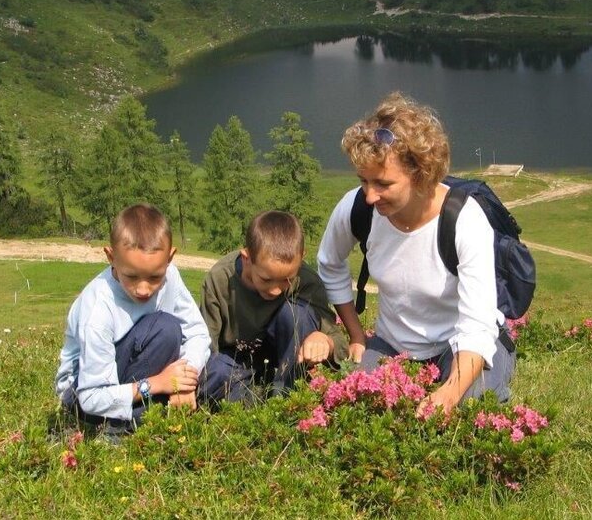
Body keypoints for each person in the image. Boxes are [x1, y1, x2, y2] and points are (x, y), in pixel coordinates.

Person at [317, 92, 515, 415]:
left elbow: (477, 326)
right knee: (355, 401)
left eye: (383, 183)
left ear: (420, 173)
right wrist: (356, 334)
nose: (369, 196)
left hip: (460, 345)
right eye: (363, 181)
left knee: (469, 403)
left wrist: (449, 394)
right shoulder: (356, 208)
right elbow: (329, 262)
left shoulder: (463, 219)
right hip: (392, 346)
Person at [54, 203, 211, 433]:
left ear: (170, 258)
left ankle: (146, 414)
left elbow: (197, 333)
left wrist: (183, 382)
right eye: (132, 276)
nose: (143, 289)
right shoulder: (98, 308)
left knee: (211, 363)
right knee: (166, 328)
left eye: (155, 276)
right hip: (83, 392)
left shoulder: (171, 277)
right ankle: (123, 426)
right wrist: (159, 384)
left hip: (138, 373)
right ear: (111, 257)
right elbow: (90, 396)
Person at [200, 210, 348, 404]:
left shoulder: (307, 282)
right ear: (247, 258)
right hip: (234, 362)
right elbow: (205, 346)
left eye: (287, 280)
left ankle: (284, 401)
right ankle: (245, 402)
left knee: (297, 314)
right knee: (214, 371)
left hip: (286, 364)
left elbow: (341, 345)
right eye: (266, 279)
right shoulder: (220, 278)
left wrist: (324, 341)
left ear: (301, 258)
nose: (276, 290)